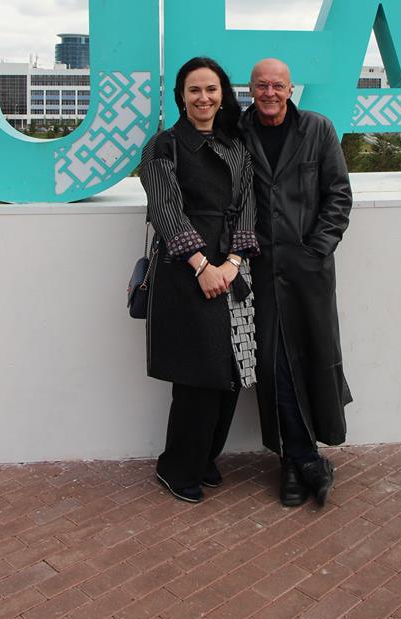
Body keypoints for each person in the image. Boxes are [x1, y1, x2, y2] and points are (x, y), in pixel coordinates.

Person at [140, 56, 259, 503]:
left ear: (223, 94)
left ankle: (205, 456)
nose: (204, 98)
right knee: (198, 374)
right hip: (185, 270)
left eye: (211, 89)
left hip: (232, 267)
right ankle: (176, 466)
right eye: (194, 90)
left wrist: (232, 262)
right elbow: (165, 209)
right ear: (181, 97)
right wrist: (202, 266)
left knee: (231, 370)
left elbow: (247, 206)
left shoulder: (236, 146)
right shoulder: (164, 146)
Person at [239, 58, 353, 507]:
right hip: (258, 270)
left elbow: (338, 194)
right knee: (273, 364)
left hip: (309, 272)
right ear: (250, 89)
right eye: (261, 85)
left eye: (277, 85)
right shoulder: (237, 131)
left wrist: (316, 249)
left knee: (313, 358)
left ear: (290, 89)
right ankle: (302, 460)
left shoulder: (318, 129)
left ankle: (299, 458)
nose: (269, 92)